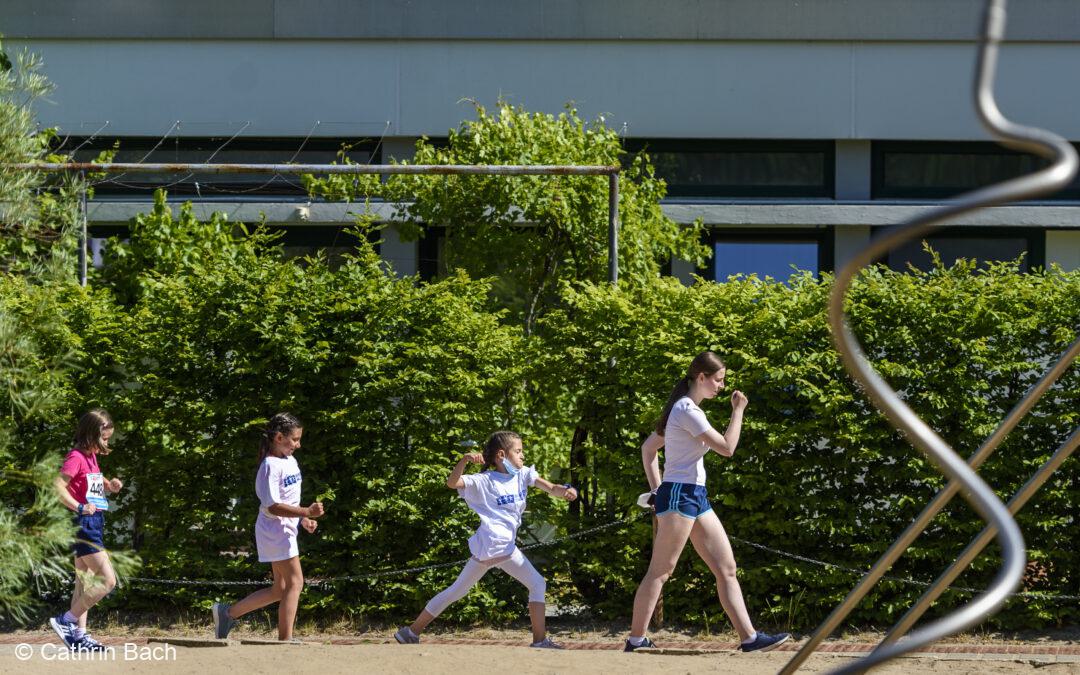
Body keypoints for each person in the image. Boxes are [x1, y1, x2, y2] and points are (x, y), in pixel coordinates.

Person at [625, 351, 791, 653]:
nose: (722, 386)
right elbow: (727, 448)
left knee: (726, 568)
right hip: (681, 494)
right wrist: (738, 411)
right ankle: (636, 640)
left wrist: (656, 489)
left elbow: (648, 449)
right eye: (718, 380)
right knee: (661, 571)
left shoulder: (685, 409)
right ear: (700, 377)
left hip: (693, 495)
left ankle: (750, 638)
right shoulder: (687, 409)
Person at [394, 431, 577, 649]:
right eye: (518, 451)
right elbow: (452, 483)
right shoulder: (484, 480)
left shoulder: (522, 475)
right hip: (495, 545)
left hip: (493, 548)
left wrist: (567, 491)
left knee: (457, 591)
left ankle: (411, 632)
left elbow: (551, 488)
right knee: (536, 583)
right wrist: (464, 460)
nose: (523, 456)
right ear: (501, 455)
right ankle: (540, 640)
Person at [211, 413, 325, 641]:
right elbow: (272, 506)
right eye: (294, 439)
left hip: (284, 530)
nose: (298, 444)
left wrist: (303, 519)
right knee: (296, 583)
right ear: (279, 437)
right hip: (275, 531)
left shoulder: (289, 461)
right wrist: (305, 511)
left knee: (280, 589)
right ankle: (286, 640)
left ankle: (227, 613)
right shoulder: (269, 466)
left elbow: (288, 500)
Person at [49, 409, 123, 652]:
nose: (107, 442)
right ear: (91, 434)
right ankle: (65, 621)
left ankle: (79, 637)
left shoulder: (90, 457)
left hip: (93, 523)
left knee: (84, 582)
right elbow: (58, 485)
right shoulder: (76, 457)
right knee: (108, 580)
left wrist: (108, 484)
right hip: (84, 524)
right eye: (105, 437)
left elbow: (92, 479)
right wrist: (79, 507)